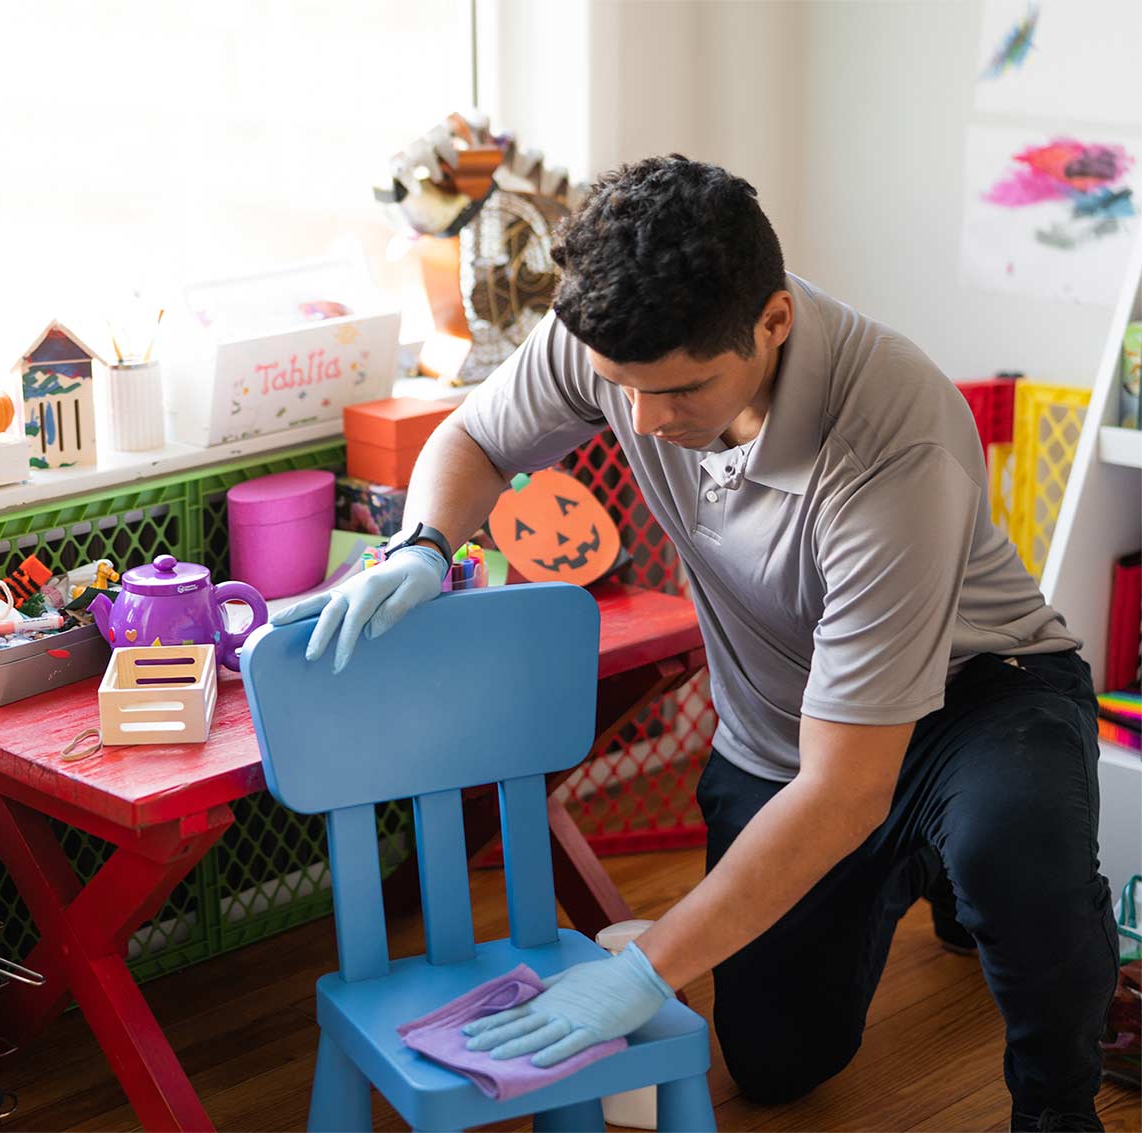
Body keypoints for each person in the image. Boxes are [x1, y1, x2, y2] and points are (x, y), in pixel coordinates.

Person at [274, 155, 1119, 1131]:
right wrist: (421, 545)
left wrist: (640, 968)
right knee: (774, 1061)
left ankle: (1054, 1096)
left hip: (978, 694)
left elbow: (845, 788)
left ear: (773, 321)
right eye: (618, 387)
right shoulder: (613, 336)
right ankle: (927, 861)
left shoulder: (892, 443)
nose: (642, 421)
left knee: (1013, 850)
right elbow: (475, 440)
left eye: (680, 389)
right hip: (788, 727)